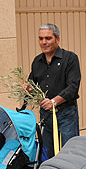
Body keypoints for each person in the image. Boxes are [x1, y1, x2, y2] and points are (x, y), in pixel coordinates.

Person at [28, 23, 81, 158]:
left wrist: (54, 101)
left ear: (57, 39)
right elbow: (32, 84)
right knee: (48, 152)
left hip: (66, 114)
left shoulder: (70, 58)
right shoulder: (37, 61)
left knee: (70, 152)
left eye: (48, 38)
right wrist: (28, 89)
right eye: (41, 38)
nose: (44, 42)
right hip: (46, 115)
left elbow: (73, 87)